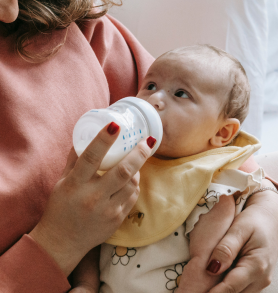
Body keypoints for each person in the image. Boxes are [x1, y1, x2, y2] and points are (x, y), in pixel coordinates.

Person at [0, 0, 277, 293]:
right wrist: (64, 247)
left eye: (180, 95)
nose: (10, 9)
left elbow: (211, 131)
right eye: (150, 87)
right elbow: (91, 239)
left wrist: (266, 203)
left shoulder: (64, 19)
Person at [70, 45, 274, 293]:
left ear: (221, 133)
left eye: (180, 93)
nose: (154, 99)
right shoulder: (121, 167)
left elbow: (205, 267)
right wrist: (85, 285)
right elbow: (87, 236)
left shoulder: (211, 189)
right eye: (150, 86)